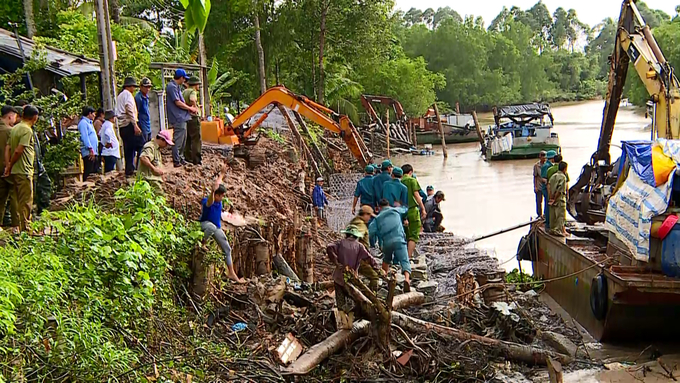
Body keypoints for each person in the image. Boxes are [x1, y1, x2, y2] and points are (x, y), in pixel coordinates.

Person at [327, 224, 382, 328]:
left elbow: (329, 247)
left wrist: (335, 261)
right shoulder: (359, 246)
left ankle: (344, 323)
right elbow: (369, 258)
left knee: (340, 300)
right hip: (352, 279)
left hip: (339, 277)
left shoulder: (340, 243)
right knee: (352, 301)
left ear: (347, 234)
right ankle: (350, 323)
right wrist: (377, 269)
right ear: (356, 236)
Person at [200, 164, 244, 283]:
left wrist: (222, 173)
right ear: (217, 195)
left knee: (227, 248)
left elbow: (218, 182)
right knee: (211, 227)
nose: (223, 198)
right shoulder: (208, 201)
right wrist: (212, 192)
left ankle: (231, 273)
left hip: (216, 228)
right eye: (221, 196)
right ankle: (202, 244)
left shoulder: (219, 200)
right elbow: (210, 200)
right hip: (205, 225)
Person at [4, 105, 38, 232]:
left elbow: (8, 148)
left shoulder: (14, 128)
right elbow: (19, 150)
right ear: (35, 117)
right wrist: (11, 164)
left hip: (15, 170)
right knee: (26, 201)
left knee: (17, 199)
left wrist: (8, 165)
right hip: (24, 170)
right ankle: (26, 227)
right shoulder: (27, 130)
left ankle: (18, 225)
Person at [369, 199, 412, 292]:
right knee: (405, 260)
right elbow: (405, 209)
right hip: (399, 240)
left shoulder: (377, 218)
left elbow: (370, 232)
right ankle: (407, 279)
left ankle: (384, 278)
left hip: (387, 243)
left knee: (386, 259)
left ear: (379, 207)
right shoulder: (396, 210)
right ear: (388, 205)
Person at [166, 68, 198, 167]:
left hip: (183, 117)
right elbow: (177, 102)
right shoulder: (171, 87)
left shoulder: (177, 87)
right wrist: (190, 108)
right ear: (180, 78)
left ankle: (181, 158)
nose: (184, 81)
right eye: (184, 79)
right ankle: (176, 160)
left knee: (183, 140)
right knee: (178, 140)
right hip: (177, 117)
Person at [117, 77, 144, 176]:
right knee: (141, 144)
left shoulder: (120, 96)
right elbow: (129, 109)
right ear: (130, 87)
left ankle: (129, 169)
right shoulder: (128, 95)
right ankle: (140, 167)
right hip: (129, 124)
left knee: (128, 148)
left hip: (122, 125)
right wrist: (135, 124)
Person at [349, 205, 380, 292]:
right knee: (374, 276)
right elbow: (354, 239)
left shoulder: (354, 221)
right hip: (359, 257)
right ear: (365, 214)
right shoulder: (361, 225)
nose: (370, 218)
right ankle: (371, 298)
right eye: (369, 216)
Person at [400, 164, 427, 262]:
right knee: (414, 235)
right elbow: (417, 196)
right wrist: (423, 209)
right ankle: (408, 257)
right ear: (411, 172)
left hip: (402, 212)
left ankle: (403, 256)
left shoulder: (400, 182)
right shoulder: (412, 181)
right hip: (413, 210)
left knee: (406, 234)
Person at [0, 105, 18, 228]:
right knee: (15, 199)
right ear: (10, 116)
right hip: (9, 170)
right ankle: (18, 226)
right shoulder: (10, 131)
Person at [183, 76, 203, 165]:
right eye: (198, 85)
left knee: (188, 139)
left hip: (186, 117)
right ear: (195, 85)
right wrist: (195, 108)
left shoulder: (184, 91)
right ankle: (196, 159)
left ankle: (188, 157)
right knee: (196, 139)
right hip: (193, 117)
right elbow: (192, 99)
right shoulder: (192, 92)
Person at [78, 106, 100, 180]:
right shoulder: (83, 123)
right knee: (89, 171)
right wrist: (90, 148)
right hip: (89, 152)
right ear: (89, 113)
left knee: (94, 172)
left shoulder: (90, 123)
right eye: (94, 113)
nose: (94, 115)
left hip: (94, 151)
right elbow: (85, 137)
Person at [548, 161, 568, 237]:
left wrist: (551, 198)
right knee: (560, 216)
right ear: (565, 169)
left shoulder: (553, 176)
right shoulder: (563, 177)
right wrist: (555, 199)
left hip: (552, 198)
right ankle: (558, 230)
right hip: (559, 199)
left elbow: (549, 187)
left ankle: (553, 229)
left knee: (553, 215)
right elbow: (560, 190)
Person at [541, 150, 556, 229]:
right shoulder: (547, 166)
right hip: (546, 188)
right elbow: (543, 178)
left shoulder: (549, 165)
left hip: (548, 187)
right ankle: (548, 222)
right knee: (548, 204)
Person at [135, 77, 153, 142]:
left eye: (149, 87)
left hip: (147, 125)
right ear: (141, 87)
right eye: (146, 87)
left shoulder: (146, 97)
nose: (148, 89)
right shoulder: (138, 98)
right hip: (142, 126)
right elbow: (136, 112)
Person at [533, 151, 547, 218]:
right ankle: (539, 215)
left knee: (546, 201)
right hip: (539, 186)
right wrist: (535, 186)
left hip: (546, 186)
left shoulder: (547, 165)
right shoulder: (536, 165)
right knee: (538, 202)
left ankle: (545, 214)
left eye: (545, 156)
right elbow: (535, 176)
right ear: (540, 156)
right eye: (542, 156)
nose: (544, 157)